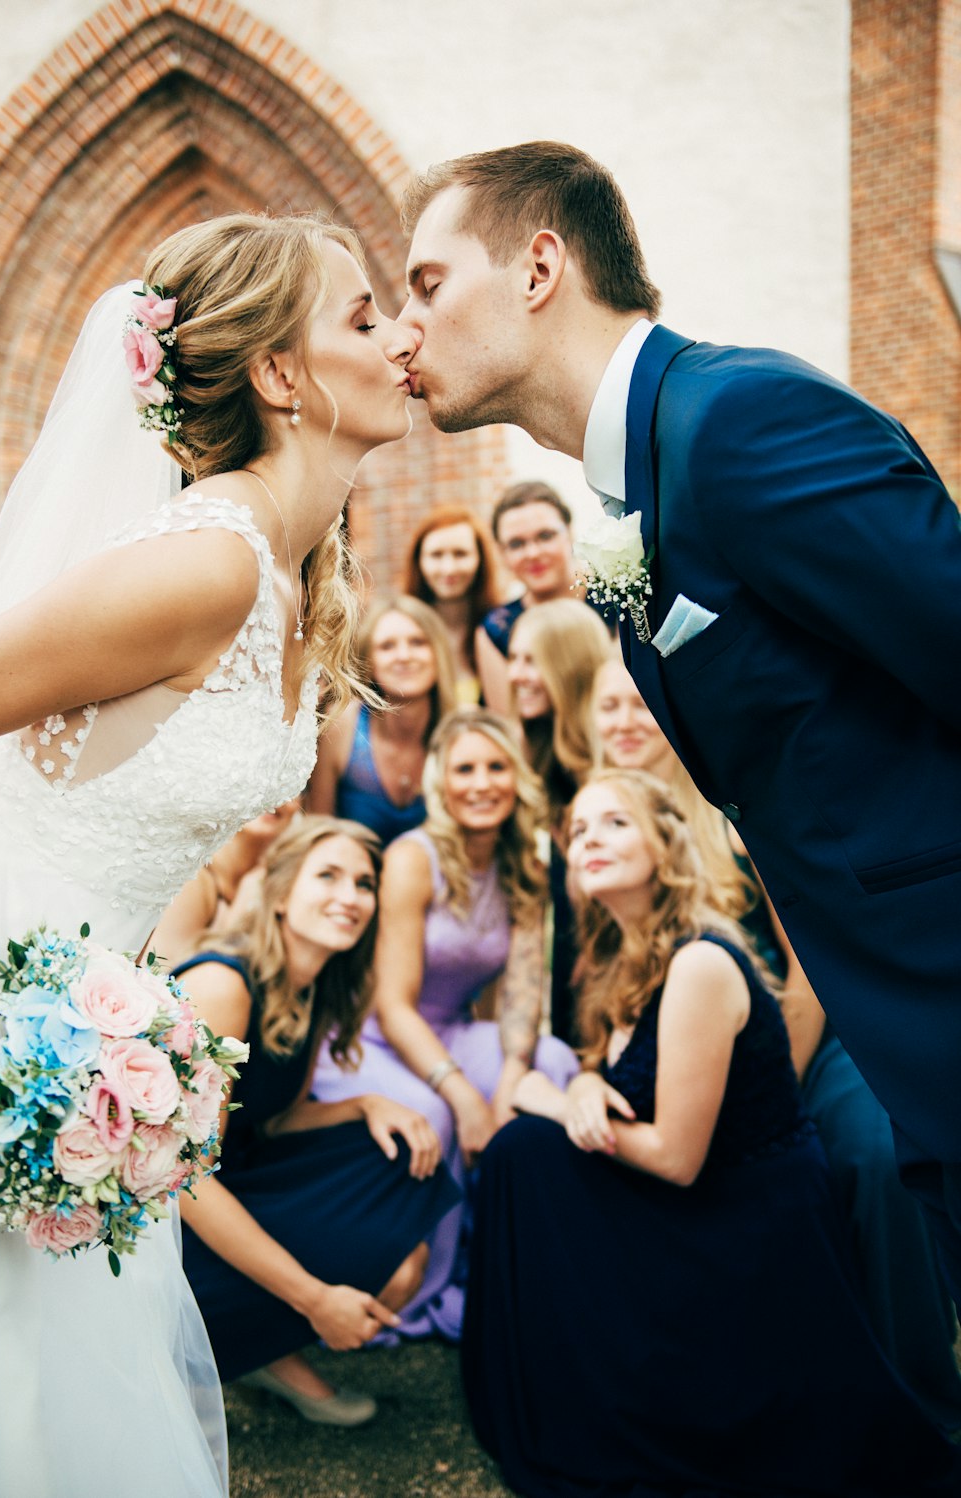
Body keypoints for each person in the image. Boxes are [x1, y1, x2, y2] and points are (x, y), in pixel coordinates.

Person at [398, 140, 961, 1296]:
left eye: (427, 284)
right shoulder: (637, 483)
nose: (406, 333)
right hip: (900, 1017)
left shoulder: (736, 421)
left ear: (539, 265)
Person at [0, 209, 417, 1497]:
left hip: (79, 1032)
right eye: (365, 318)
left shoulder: (285, 571)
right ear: (281, 375)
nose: (401, 341)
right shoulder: (200, 566)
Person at [461, 769, 961, 1498]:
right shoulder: (620, 956)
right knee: (522, 1156)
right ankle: (558, 1384)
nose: (590, 840)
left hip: (747, 1231)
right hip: (699, 1201)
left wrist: (547, 1098)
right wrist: (582, 1085)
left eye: (615, 824)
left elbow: (673, 1158)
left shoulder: (698, 961)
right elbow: (619, 1085)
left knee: (524, 1152)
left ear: (665, 845)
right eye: (580, 831)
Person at [592, 651, 961, 1429]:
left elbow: (801, 968)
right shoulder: (587, 823)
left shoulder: (737, 811)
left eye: (637, 703)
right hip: (669, 1063)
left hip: (807, 1037)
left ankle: (923, 1400)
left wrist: (773, 1089)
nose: (626, 721)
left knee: (871, 1156)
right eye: (607, 707)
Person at [176, 817, 458, 1424]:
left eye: (363, 883)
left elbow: (271, 1119)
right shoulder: (225, 984)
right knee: (381, 1242)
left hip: (241, 1169)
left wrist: (364, 1105)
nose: (349, 896)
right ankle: (241, 1337)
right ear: (279, 893)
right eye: (327, 875)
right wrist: (317, 1297)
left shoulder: (315, 987)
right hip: (174, 1212)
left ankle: (254, 1345)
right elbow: (188, 1178)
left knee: (401, 1177)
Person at [310, 707, 578, 1339]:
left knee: (554, 1062)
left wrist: (511, 1080)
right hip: (369, 1038)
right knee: (433, 1113)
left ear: (517, 778)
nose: (481, 783)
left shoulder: (525, 865)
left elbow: (521, 994)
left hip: (451, 1031)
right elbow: (393, 1004)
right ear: (441, 781)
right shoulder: (412, 857)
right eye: (464, 769)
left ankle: (519, 1258)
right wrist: (464, 1096)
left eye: (495, 767)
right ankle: (426, 1286)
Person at [508, 598, 610, 1043]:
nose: (515, 676)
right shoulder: (538, 755)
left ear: (568, 665)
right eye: (513, 659)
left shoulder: (613, 761)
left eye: (532, 661)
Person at [306, 593, 456, 845]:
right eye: (387, 646)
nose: (404, 655)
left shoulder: (460, 732)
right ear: (369, 661)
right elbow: (318, 830)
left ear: (438, 653)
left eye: (418, 642)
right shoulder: (343, 723)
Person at [477, 480, 602, 711]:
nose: (533, 553)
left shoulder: (616, 600)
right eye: (516, 544)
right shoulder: (495, 630)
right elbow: (509, 727)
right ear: (501, 553)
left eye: (545, 536)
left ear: (570, 533)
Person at [150, 800, 300, 970]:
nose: (277, 799)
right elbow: (160, 974)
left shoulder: (281, 884)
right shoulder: (194, 881)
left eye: (294, 790)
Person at [401, 503, 499, 704]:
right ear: (419, 561)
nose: (448, 568)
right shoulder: (400, 634)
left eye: (460, 554)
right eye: (436, 555)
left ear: (480, 559)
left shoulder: (499, 629)